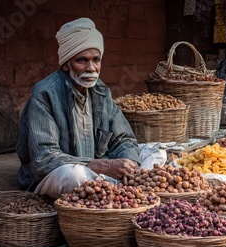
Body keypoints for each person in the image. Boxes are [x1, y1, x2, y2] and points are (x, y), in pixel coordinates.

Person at [16, 18, 140, 198]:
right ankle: (107, 188)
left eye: (96, 60)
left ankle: (108, 188)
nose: (91, 68)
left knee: (154, 152)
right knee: (73, 176)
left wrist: (128, 164)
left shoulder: (101, 91)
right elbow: (44, 159)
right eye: (82, 60)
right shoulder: (44, 94)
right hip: (57, 174)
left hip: (97, 172)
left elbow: (125, 139)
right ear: (66, 64)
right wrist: (101, 166)